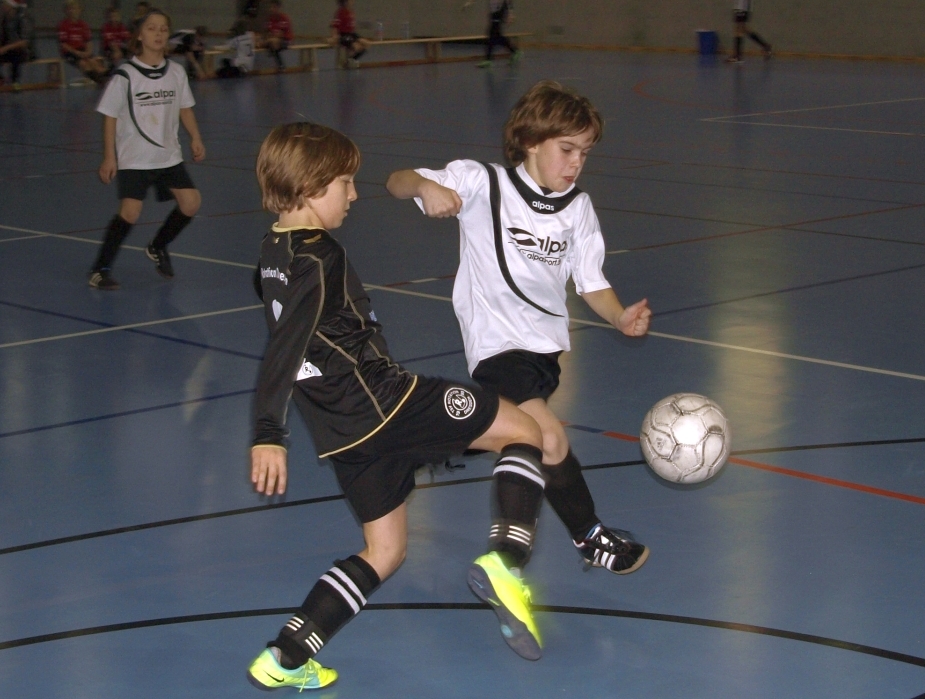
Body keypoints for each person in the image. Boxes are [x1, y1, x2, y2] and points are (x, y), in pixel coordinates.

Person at [244, 122, 552, 691]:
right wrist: (267, 432)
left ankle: (285, 657)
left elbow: (285, 316)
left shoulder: (272, 250)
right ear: (310, 188)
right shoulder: (320, 255)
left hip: (341, 432)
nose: (353, 194)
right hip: (387, 403)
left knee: (384, 551)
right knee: (525, 431)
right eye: (344, 183)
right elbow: (285, 346)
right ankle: (506, 562)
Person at [387, 80, 652, 579]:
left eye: (585, 153)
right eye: (567, 149)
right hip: (497, 346)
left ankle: (417, 443)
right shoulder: (481, 183)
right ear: (530, 141)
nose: (576, 163)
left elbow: (591, 281)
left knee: (513, 431)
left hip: (544, 354)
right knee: (545, 438)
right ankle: (537, 551)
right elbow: (397, 181)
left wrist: (618, 315)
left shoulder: (578, 209)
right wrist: (425, 186)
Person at [90, 8, 205, 290]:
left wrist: (195, 137)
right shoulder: (126, 75)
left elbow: (185, 108)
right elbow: (109, 116)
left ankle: (158, 245)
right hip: (135, 157)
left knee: (191, 202)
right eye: (152, 28)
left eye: (163, 29)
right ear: (140, 36)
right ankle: (99, 270)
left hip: (168, 156)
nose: (158, 34)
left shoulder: (176, 72)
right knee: (130, 211)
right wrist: (109, 156)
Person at [57, 1, 107, 83]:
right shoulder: (63, 25)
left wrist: (88, 52)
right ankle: (98, 80)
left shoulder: (83, 25)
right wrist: (76, 52)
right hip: (69, 52)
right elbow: (63, 44)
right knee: (84, 64)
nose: (73, 11)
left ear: (80, 10)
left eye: (75, 9)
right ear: (66, 11)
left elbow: (88, 41)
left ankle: (107, 79)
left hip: (82, 50)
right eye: (70, 9)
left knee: (95, 63)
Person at [478, 0, 521, 68]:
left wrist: (511, 14)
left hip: (498, 11)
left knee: (492, 35)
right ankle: (514, 51)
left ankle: (488, 60)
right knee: (497, 36)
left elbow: (509, 1)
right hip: (494, 11)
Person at [0, 0, 32, 89]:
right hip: (8, 49)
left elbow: (25, 42)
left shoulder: (23, 19)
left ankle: (15, 81)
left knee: (16, 54)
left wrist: (6, 48)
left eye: (5, 4)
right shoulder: (5, 19)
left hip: (22, 51)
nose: (2, 6)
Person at [329, 0, 368, 68]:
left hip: (351, 34)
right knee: (357, 47)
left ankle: (352, 59)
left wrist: (357, 38)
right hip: (343, 35)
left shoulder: (351, 12)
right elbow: (334, 26)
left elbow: (351, 26)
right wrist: (334, 37)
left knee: (366, 43)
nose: (353, 1)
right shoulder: (340, 12)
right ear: (345, 2)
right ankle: (350, 61)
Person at [263, 0, 292, 71]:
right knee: (271, 42)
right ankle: (280, 64)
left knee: (273, 42)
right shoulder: (270, 19)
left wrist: (275, 36)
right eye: (270, 7)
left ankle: (280, 64)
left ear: (278, 8)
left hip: (285, 40)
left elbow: (282, 34)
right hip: (272, 40)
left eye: (273, 7)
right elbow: (267, 32)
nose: (271, 9)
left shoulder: (284, 18)